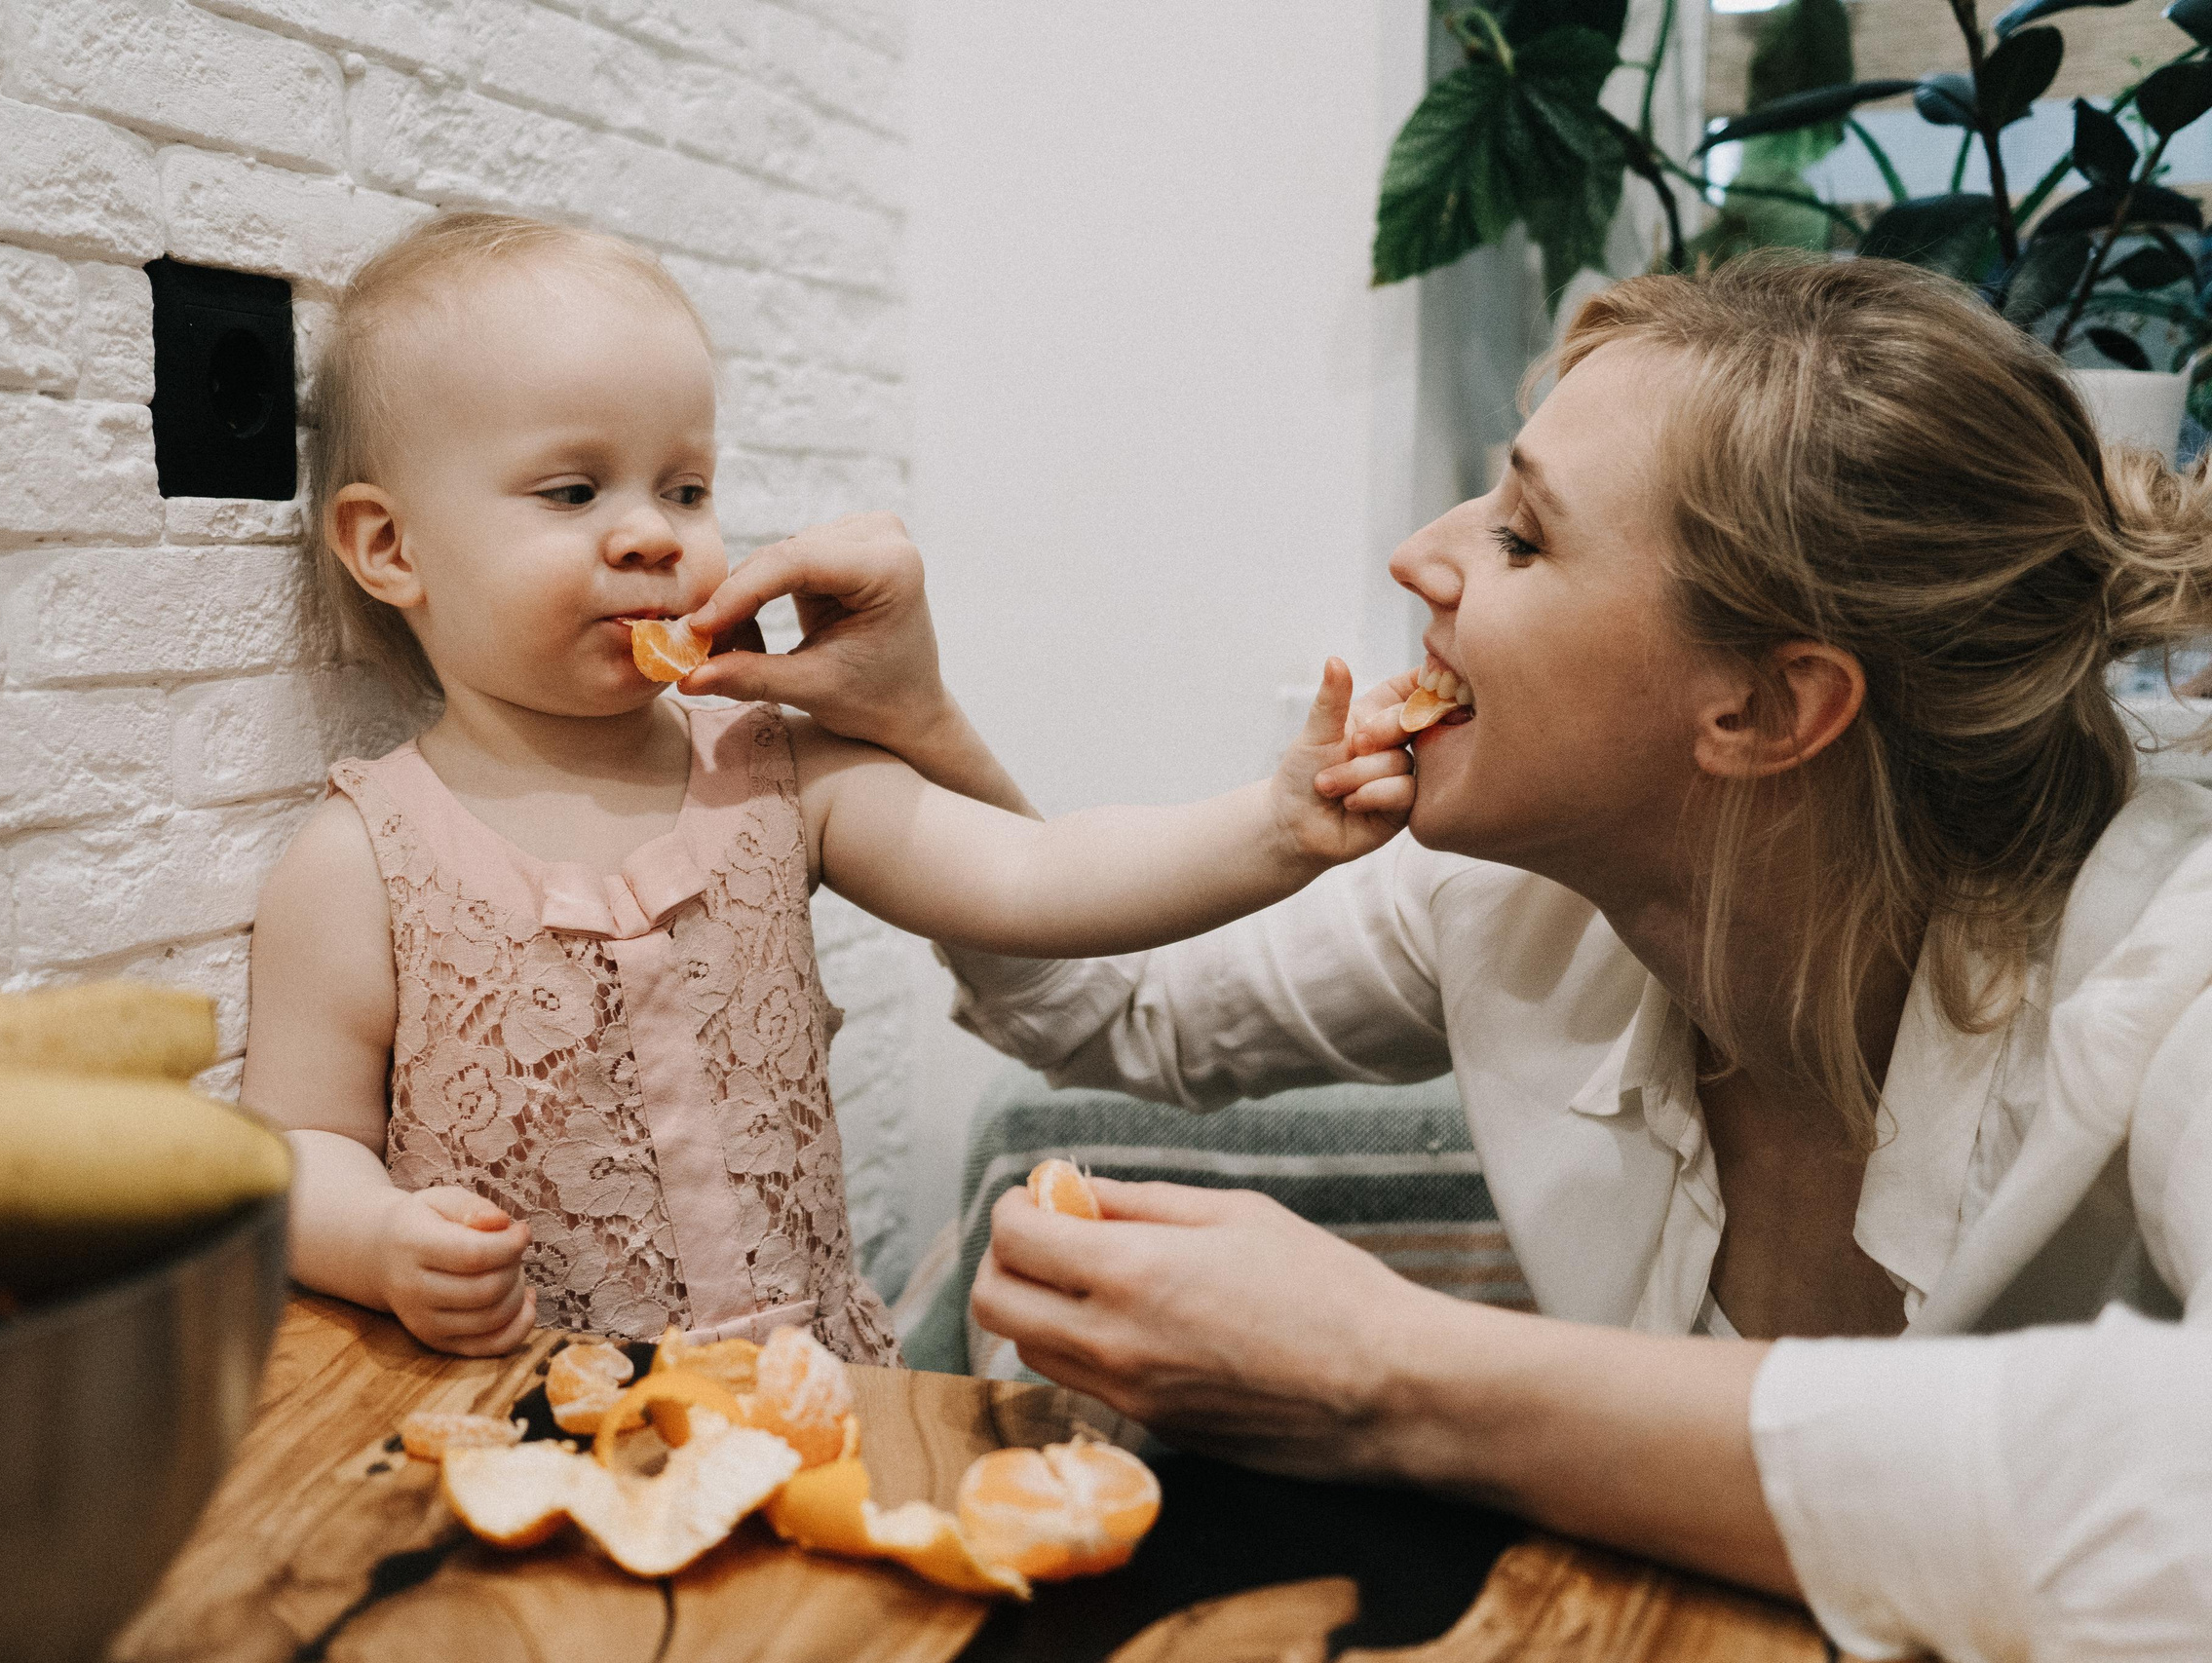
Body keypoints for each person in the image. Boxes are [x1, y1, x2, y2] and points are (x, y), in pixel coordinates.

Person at [682, 259, 2212, 1659]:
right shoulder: (1501, 900)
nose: (1421, 555)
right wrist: (913, 720)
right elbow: (1105, 1008)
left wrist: (1384, 1366)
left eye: (1523, 533)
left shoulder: (2179, 953)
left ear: (1763, 706)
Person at [239, 212, 1400, 1367]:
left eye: (684, 487)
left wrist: (1274, 826)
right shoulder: (361, 861)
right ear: (391, 547)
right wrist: (386, 1241)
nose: (651, 533)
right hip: (524, 1426)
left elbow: (1033, 876)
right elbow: (292, 1146)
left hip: (812, 1400)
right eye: (571, 491)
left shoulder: (775, 771)